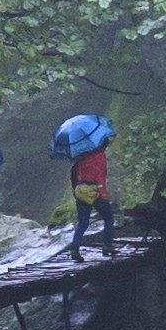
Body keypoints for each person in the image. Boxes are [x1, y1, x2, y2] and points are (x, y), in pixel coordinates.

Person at [53, 107, 119, 261]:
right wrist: (103, 193)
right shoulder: (99, 157)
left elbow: (74, 176)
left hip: (80, 190)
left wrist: (76, 191)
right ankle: (108, 246)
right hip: (94, 190)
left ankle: (75, 249)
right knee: (108, 217)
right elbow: (100, 176)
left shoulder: (80, 157)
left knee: (83, 222)